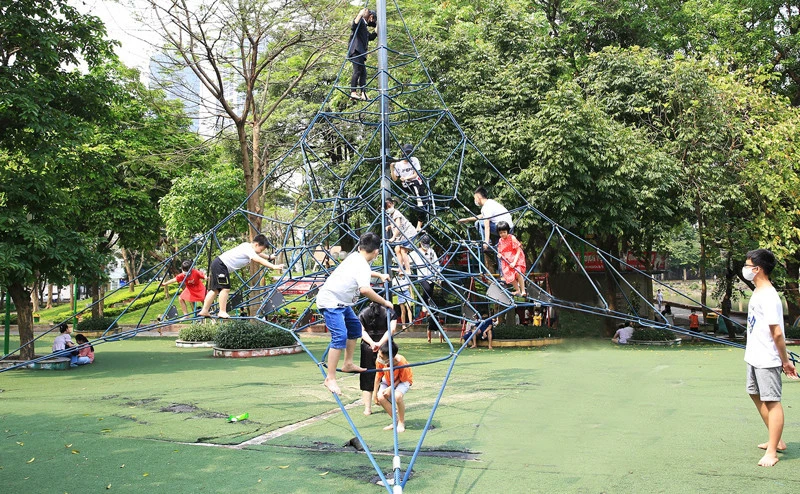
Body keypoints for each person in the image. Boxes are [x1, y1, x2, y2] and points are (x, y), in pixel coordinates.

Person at [316, 232, 393, 396]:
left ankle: (348, 363)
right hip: (331, 302)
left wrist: (379, 275)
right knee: (340, 336)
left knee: (355, 329)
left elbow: (363, 273)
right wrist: (385, 302)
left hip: (341, 302)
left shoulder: (354, 257)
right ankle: (330, 378)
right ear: (376, 252)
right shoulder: (362, 265)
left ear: (360, 247)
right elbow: (365, 289)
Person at [742, 248, 798, 467]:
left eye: (747, 265)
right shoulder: (758, 291)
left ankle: (773, 451)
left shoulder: (769, 295)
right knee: (754, 394)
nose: (745, 269)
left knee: (772, 401)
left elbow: (777, 332)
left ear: (758, 268)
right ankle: (778, 439)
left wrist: (785, 361)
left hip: (767, 358)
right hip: (754, 355)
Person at [198, 234, 285, 319]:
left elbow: (258, 254)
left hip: (218, 264)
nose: (261, 252)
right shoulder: (248, 249)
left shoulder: (248, 247)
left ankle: (204, 310)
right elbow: (257, 258)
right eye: (261, 249)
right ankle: (222, 311)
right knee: (225, 289)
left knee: (215, 290)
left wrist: (269, 257)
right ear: (256, 244)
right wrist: (273, 266)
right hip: (221, 265)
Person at [457, 186, 513, 272]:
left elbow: (486, 225)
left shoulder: (486, 207)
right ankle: (503, 277)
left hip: (503, 228)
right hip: (506, 228)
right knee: (500, 252)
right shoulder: (490, 203)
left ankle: (487, 242)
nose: (475, 200)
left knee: (478, 223)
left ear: (479, 197)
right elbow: (482, 216)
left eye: (475, 198)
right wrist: (467, 219)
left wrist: (486, 242)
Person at [359, 302, 399, 415]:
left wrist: (372, 343)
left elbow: (360, 331)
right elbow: (392, 330)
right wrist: (380, 343)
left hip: (368, 346)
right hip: (386, 347)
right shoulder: (390, 312)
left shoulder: (363, 312)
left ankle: (367, 408)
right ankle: (390, 405)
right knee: (389, 374)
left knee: (367, 375)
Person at [373, 341, 413, 432]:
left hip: (403, 380)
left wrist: (391, 388)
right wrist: (374, 394)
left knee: (397, 396)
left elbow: (403, 379)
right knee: (381, 397)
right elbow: (378, 376)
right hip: (388, 380)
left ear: (391, 357)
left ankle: (401, 422)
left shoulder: (401, 362)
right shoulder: (380, 361)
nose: (379, 358)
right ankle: (396, 421)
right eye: (379, 355)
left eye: (382, 357)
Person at [391, 144, 431, 230]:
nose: (407, 155)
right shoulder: (399, 164)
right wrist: (391, 168)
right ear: (402, 153)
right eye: (406, 153)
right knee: (420, 202)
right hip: (407, 186)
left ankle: (419, 226)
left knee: (425, 203)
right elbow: (394, 179)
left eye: (409, 153)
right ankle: (418, 201)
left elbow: (416, 174)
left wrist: (405, 178)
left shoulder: (414, 160)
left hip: (416, 183)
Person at [409, 235, 441, 342]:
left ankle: (426, 306)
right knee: (426, 289)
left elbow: (436, 264)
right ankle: (424, 305)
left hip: (431, 276)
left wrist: (438, 275)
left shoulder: (432, 252)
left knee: (430, 293)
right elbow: (408, 259)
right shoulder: (415, 252)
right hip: (422, 276)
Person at [348, 8, 377, 100]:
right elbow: (354, 26)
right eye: (373, 19)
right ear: (371, 16)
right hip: (356, 51)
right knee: (357, 71)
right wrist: (360, 14)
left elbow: (370, 37)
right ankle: (353, 92)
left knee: (363, 73)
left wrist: (378, 27)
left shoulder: (364, 26)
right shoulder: (360, 22)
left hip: (360, 52)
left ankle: (363, 93)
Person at [385, 197, 417, 273]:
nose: (388, 209)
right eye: (387, 208)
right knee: (397, 249)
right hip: (403, 234)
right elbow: (395, 224)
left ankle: (408, 270)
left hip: (409, 233)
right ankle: (400, 268)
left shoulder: (396, 213)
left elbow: (398, 226)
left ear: (393, 204)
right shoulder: (391, 215)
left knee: (403, 251)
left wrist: (393, 237)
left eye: (389, 207)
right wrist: (389, 227)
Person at [496, 221, 526, 297]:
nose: (502, 234)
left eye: (504, 232)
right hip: (507, 260)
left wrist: (514, 262)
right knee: (510, 277)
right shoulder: (500, 240)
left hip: (515, 258)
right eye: (500, 233)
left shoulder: (512, 238)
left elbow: (518, 250)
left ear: (507, 231)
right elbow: (500, 250)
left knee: (518, 273)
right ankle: (517, 290)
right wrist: (499, 254)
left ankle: (523, 290)